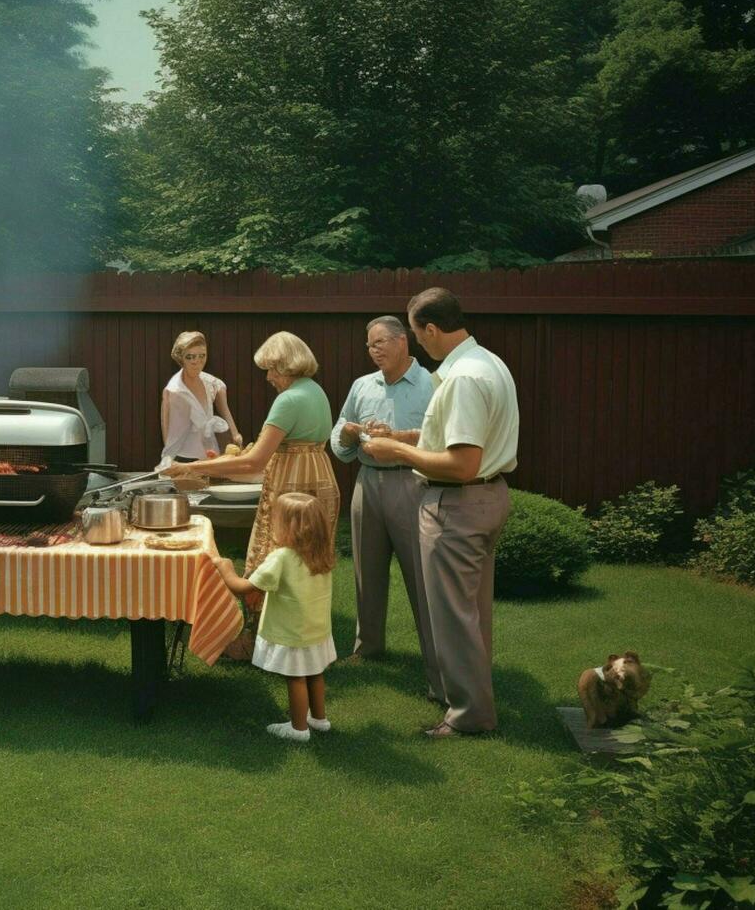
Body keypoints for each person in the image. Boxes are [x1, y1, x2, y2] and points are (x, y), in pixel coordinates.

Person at [364, 288, 518, 738]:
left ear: (431, 329)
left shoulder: (463, 378)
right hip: (485, 497)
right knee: (471, 613)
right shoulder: (488, 362)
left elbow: (462, 463)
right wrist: (410, 436)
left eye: (416, 334)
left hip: (457, 503)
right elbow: (461, 439)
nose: (418, 344)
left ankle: (467, 715)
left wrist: (395, 451)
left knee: (451, 617)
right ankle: (471, 697)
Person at [164, 331, 338, 659]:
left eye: (272, 369)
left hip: (293, 484)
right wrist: (223, 467)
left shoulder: (289, 400)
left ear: (288, 365)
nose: (269, 377)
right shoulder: (315, 391)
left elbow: (257, 461)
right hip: (318, 477)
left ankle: (263, 642)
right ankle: (306, 635)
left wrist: (193, 468)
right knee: (307, 564)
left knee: (274, 557)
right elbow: (263, 461)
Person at [330, 315, 440, 700]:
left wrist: (397, 437)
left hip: (413, 484)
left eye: (379, 343)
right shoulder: (363, 385)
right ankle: (368, 648)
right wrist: (345, 433)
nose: (373, 350)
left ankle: (438, 664)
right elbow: (341, 437)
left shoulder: (432, 385)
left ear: (402, 342)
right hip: (368, 484)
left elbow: (441, 439)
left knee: (422, 578)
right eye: (369, 345)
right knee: (367, 571)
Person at [212, 492, 337, 742]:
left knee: (296, 677)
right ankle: (319, 720)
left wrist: (224, 567)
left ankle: (298, 728)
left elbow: (242, 587)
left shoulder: (282, 558)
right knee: (314, 672)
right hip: (316, 630)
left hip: (292, 631)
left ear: (289, 528)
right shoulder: (320, 554)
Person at [160, 330, 242, 463]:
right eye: (190, 357)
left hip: (212, 452)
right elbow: (168, 435)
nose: (197, 361)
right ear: (181, 358)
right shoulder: (174, 390)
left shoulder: (213, 384)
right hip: (185, 457)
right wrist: (171, 462)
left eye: (202, 356)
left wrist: (236, 436)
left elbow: (227, 415)